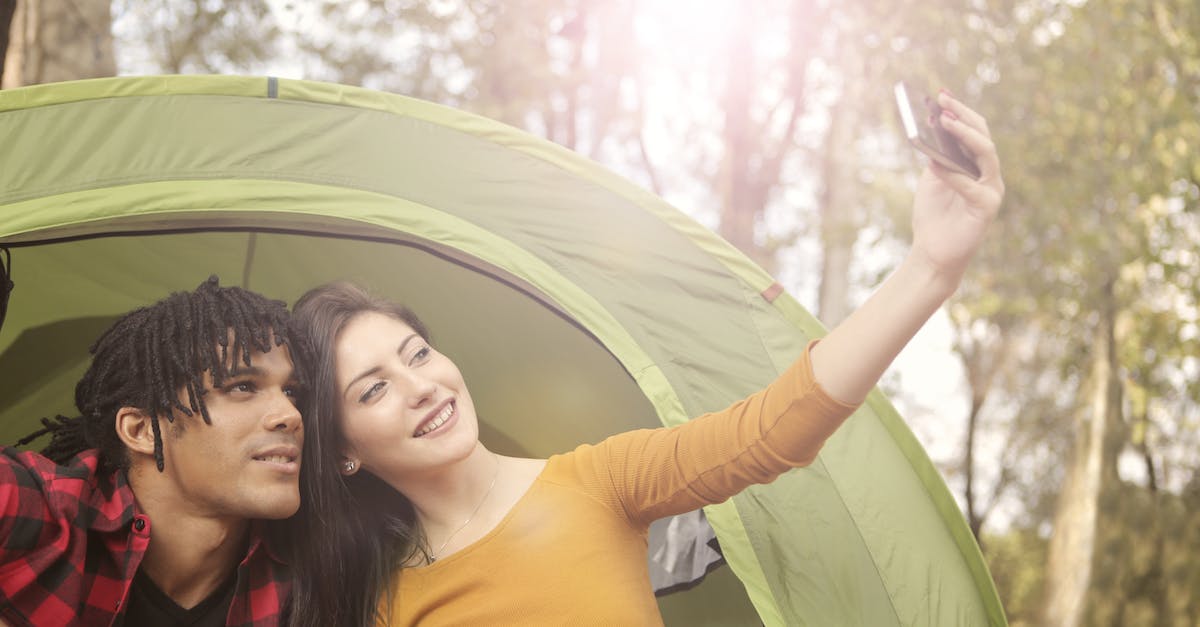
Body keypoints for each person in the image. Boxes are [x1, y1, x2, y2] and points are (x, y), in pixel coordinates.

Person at [283, 91, 1005, 626]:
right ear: (344, 451)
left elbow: (774, 427)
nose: (419, 385)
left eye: (417, 352)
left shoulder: (599, 480)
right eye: (374, 389)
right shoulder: (384, 605)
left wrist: (930, 269)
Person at [0, 277, 305, 626]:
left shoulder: (316, 567)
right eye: (243, 386)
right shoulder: (45, 512)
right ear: (142, 430)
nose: (290, 415)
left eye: (292, 391)